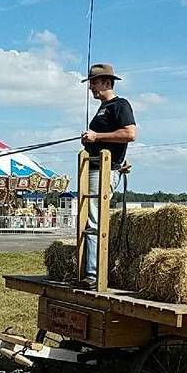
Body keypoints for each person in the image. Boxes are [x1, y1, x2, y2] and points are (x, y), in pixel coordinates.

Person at [79, 63, 137, 289]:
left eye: (94, 82)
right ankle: (90, 269)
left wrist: (97, 137)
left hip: (104, 169)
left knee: (94, 219)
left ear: (106, 82)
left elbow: (130, 134)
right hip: (93, 168)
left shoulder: (119, 105)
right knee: (89, 218)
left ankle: (93, 275)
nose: (91, 87)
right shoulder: (103, 108)